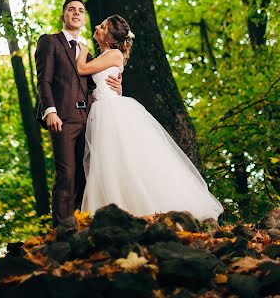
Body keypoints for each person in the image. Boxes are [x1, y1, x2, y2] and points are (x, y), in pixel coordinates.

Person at [77, 14, 223, 221]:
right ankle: (118, 208)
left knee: (119, 159)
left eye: (102, 26)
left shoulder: (114, 54)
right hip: (101, 109)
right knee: (110, 162)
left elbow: (82, 69)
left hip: (111, 112)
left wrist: (81, 50)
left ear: (109, 37)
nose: (97, 27)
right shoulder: (103, 56)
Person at [35, 0, 122, 227]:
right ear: (63, 16)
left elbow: (96, 86)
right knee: (67, 174)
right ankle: (61, 230)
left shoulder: (89, 54)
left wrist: (118, 88)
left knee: (86, 174)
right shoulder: (49, 42)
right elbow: (43, 80)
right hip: (62, 117)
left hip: (90, 120)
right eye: (71, 9)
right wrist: (50, 111)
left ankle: (80, 225)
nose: (76, 13)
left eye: (81, 10)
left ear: (84, 18)